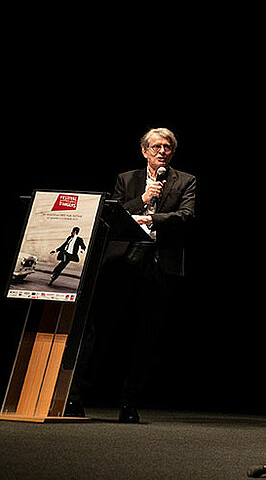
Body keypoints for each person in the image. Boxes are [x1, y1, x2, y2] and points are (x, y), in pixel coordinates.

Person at [67, 127, 197, 424]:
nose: (162, 151)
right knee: (99, 329)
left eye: (167, 147)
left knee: (145, 335)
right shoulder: (127, 179)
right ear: (144, 151)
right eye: (156, 147)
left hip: (157, 263)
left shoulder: (185, 181)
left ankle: (129, 403)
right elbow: (112, 215)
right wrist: (142, 200)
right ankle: (75, 397)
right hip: (120, 262)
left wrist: (152, 218)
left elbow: (187, 216)